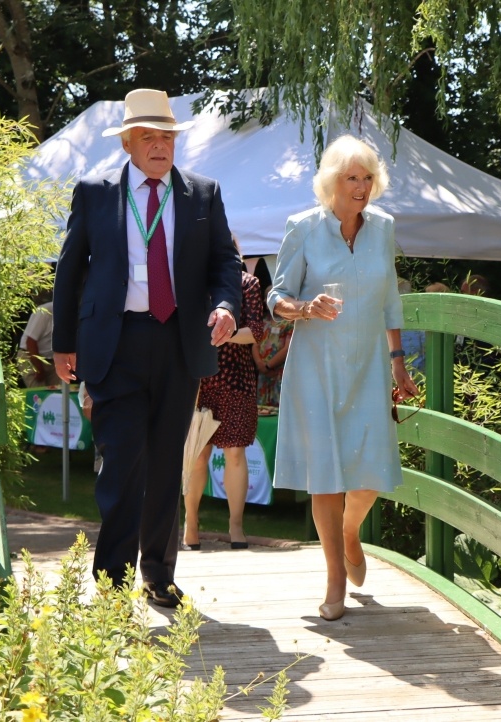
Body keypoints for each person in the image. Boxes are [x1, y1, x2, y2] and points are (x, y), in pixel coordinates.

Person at [51, 88, 241, 608]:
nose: (161, 147)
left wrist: (226, 306)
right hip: (115, 343)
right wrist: (63, 343)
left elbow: (225, 263)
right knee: (122, 463)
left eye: (168, 138)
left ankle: (158, 574)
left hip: (179, 342)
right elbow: (69, 272)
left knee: (164, 463)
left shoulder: (202, 193)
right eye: (150, 138)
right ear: (129, 145)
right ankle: (112, 582)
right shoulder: (95, 192)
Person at [266, 134, 420, 621]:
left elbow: (391, 301)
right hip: (317, 366)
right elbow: (277, 297)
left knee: (371, 468)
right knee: (327, 474)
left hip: (370, 364)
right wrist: (305, 307)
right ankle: (334, 574)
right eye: (352, 177)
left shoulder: (383, 227)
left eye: (368, 177)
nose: (361, 185)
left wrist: (398, 361)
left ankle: (351, 530)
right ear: (332, 182)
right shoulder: (302, 228)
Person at [182, 237, 267, 551]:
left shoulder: (248, 283)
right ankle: (191, 523)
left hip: (236, 380)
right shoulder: (189, 282)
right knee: (196, 456)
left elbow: (256, 331)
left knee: (235, 452)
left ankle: (235, 526)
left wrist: (222, 335)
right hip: (196, 382)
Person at [253, 291, 293, 406]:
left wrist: (268, 365)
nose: (268, 300)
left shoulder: (289, 323)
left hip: (279, 373)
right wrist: (260, 364)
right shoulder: (262, 322)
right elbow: (254, 344)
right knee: (262, 409)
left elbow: (287, 349)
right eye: (266, 297)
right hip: (263, 374)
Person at [17, 300, 61, 388]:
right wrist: (38, 369)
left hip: (53, 360)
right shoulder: (45, 311)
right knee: (39, 395)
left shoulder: (75, 313)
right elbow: (30, 342)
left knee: (59, 394)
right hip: (30, 356)